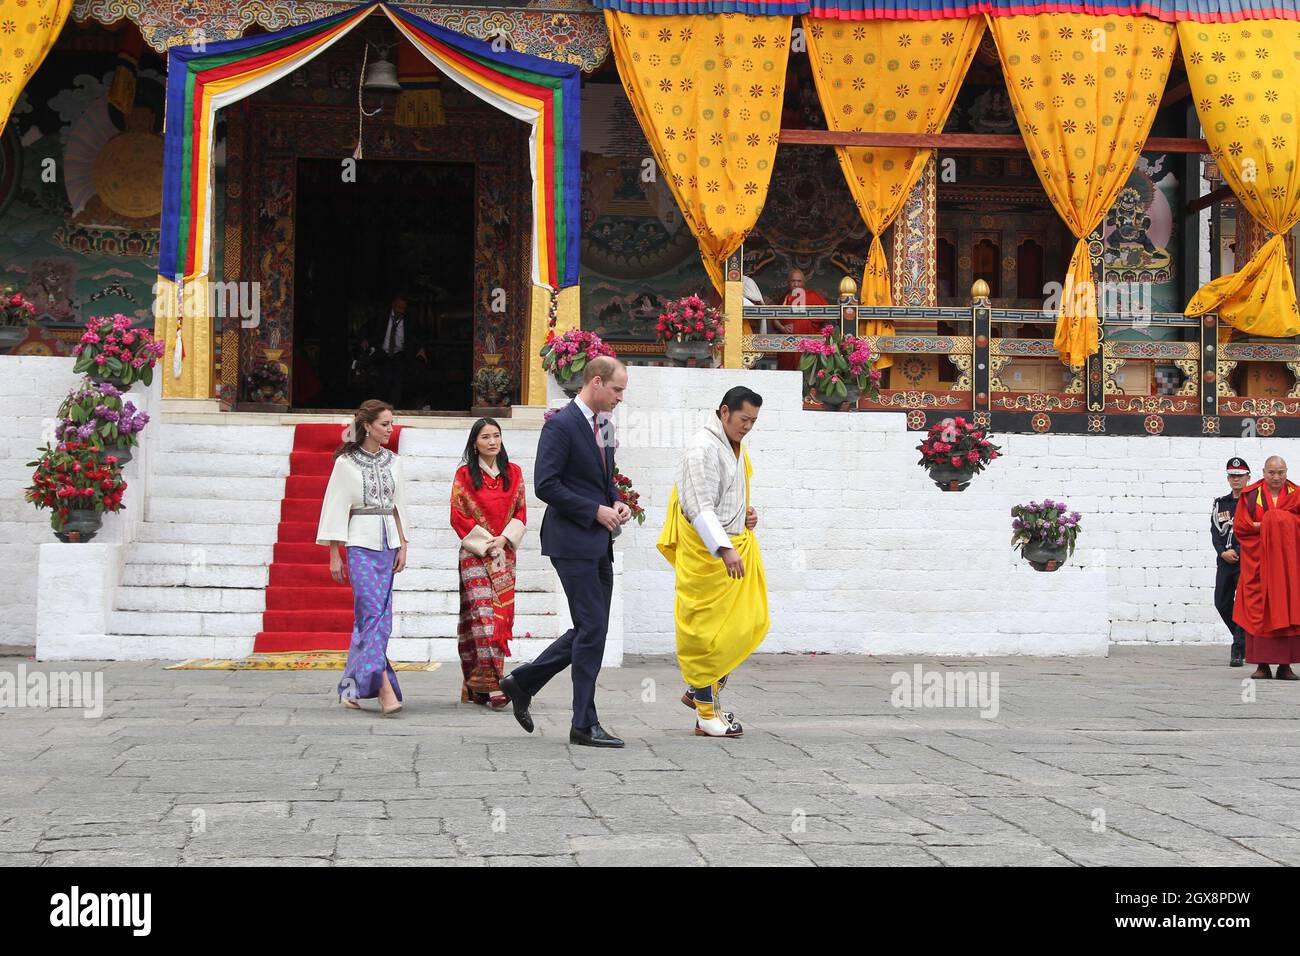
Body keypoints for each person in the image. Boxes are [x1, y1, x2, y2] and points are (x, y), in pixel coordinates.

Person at [500, 356, 632, 747]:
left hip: (598, 541)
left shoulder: (604, 424)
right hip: (571, 540)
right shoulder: (560, 425)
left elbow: (605, 479)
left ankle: (523, 681)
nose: (621, 398)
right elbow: (546, 484)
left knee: (593, 628)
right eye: (617, 389)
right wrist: (595, 510)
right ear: (595, 382)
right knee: (592, 629)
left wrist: (616, 501)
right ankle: (583, 723)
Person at [656, 386, 770, 738]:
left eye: (753, 421)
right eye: (743, 419)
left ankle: (698, 691)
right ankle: (706, 712)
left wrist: (745, 516)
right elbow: (698, 507)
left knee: (750, 621)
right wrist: (723, 548)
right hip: (709, 554)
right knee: (706, 634)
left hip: (736, 545)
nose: (747, 426)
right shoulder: (702, 448)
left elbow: (730, 495)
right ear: (724, 412)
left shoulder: (734, 445)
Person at [317, 399, 409, 715]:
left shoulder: (394, 461)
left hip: (389, 545)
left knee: (375, 620)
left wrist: (404, 545)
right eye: (385, 424)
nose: (390, 429)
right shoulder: (346, 464)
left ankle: (350, 687)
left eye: (392, 423)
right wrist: (334, 554)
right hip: (359, 545)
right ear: (368, 425)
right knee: (373, 617)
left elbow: (400, 506)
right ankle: (384, 688)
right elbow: (334, 507)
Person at [450, 418, 527, 709]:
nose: (492, 441)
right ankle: (493, 683)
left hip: (504, 554)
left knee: (501, 617)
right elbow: (458, 515)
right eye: (485, 437)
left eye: (496, 435)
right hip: (475, 553)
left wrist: (504, 540)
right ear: (475, 443)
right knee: (483, 617)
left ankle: (474, 684)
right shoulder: (464, 476)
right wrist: (486, 542)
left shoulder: (514, 473)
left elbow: (521, 511)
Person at [1233, 455, 1300, 680]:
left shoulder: (1296, 494)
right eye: (1272, 472)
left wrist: (1268, 522)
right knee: (1258, 611)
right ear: (1263, 472)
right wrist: (1274, 522)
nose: (1276, 477)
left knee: (1287, 607)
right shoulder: (1251, 495)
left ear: (1286, 472)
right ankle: (1262, 665)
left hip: (1287, 567)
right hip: (1259, 564)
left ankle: (1285, 666)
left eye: (1281, 472)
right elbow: (1241, 527)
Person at [1212, 457, 1250, 667]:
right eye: (1233, 476)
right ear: (1228, 478)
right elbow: (1215, 531)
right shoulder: (1220, 503)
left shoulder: (1253, 502)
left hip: (1246, 561)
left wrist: (1238, 550)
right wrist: (1222, 552)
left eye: (1240, 476)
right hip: (1225, 562)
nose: (1236, 479)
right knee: (1222, 602)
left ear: (1248, 477)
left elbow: (1255, 532)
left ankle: (1238, 649)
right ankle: (1244, 639)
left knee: (1244, 604)